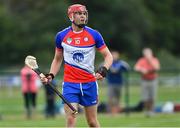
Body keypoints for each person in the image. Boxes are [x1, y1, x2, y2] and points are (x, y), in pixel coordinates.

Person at [41, 4, 113, 127]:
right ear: (71, 16)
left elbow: (108, 56)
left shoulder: (94, 34)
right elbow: (58, 59)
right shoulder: (61, 36)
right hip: (70, 84)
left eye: (84, 14)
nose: (83, 16)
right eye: (79, 14)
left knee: (92, 122)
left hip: (89, 83)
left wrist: (104, 69)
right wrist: (51, 75)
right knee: (71, 119)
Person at [134, 48, 160, 117]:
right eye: (146, 54)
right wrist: (141, 69)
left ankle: (152, 111)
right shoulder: (141, 60)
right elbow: (136, 67)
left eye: (148, 53)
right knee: (145, 97)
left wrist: (150, 61)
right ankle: (147, 111)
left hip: (153, 80)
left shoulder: (154, 59)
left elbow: (157, 68)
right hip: (144, 80)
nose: (147, 55)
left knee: (152, 97)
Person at [106, 50, 130, 115]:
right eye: (113, 55)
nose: (114, 56)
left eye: (115, 55)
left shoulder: (121, 63)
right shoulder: (108, 63)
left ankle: (117, 112)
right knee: (110, 98)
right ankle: (110, 112)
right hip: (111, 83)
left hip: (119, 83)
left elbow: (127, 68)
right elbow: (102, 68)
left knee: (118, 99)